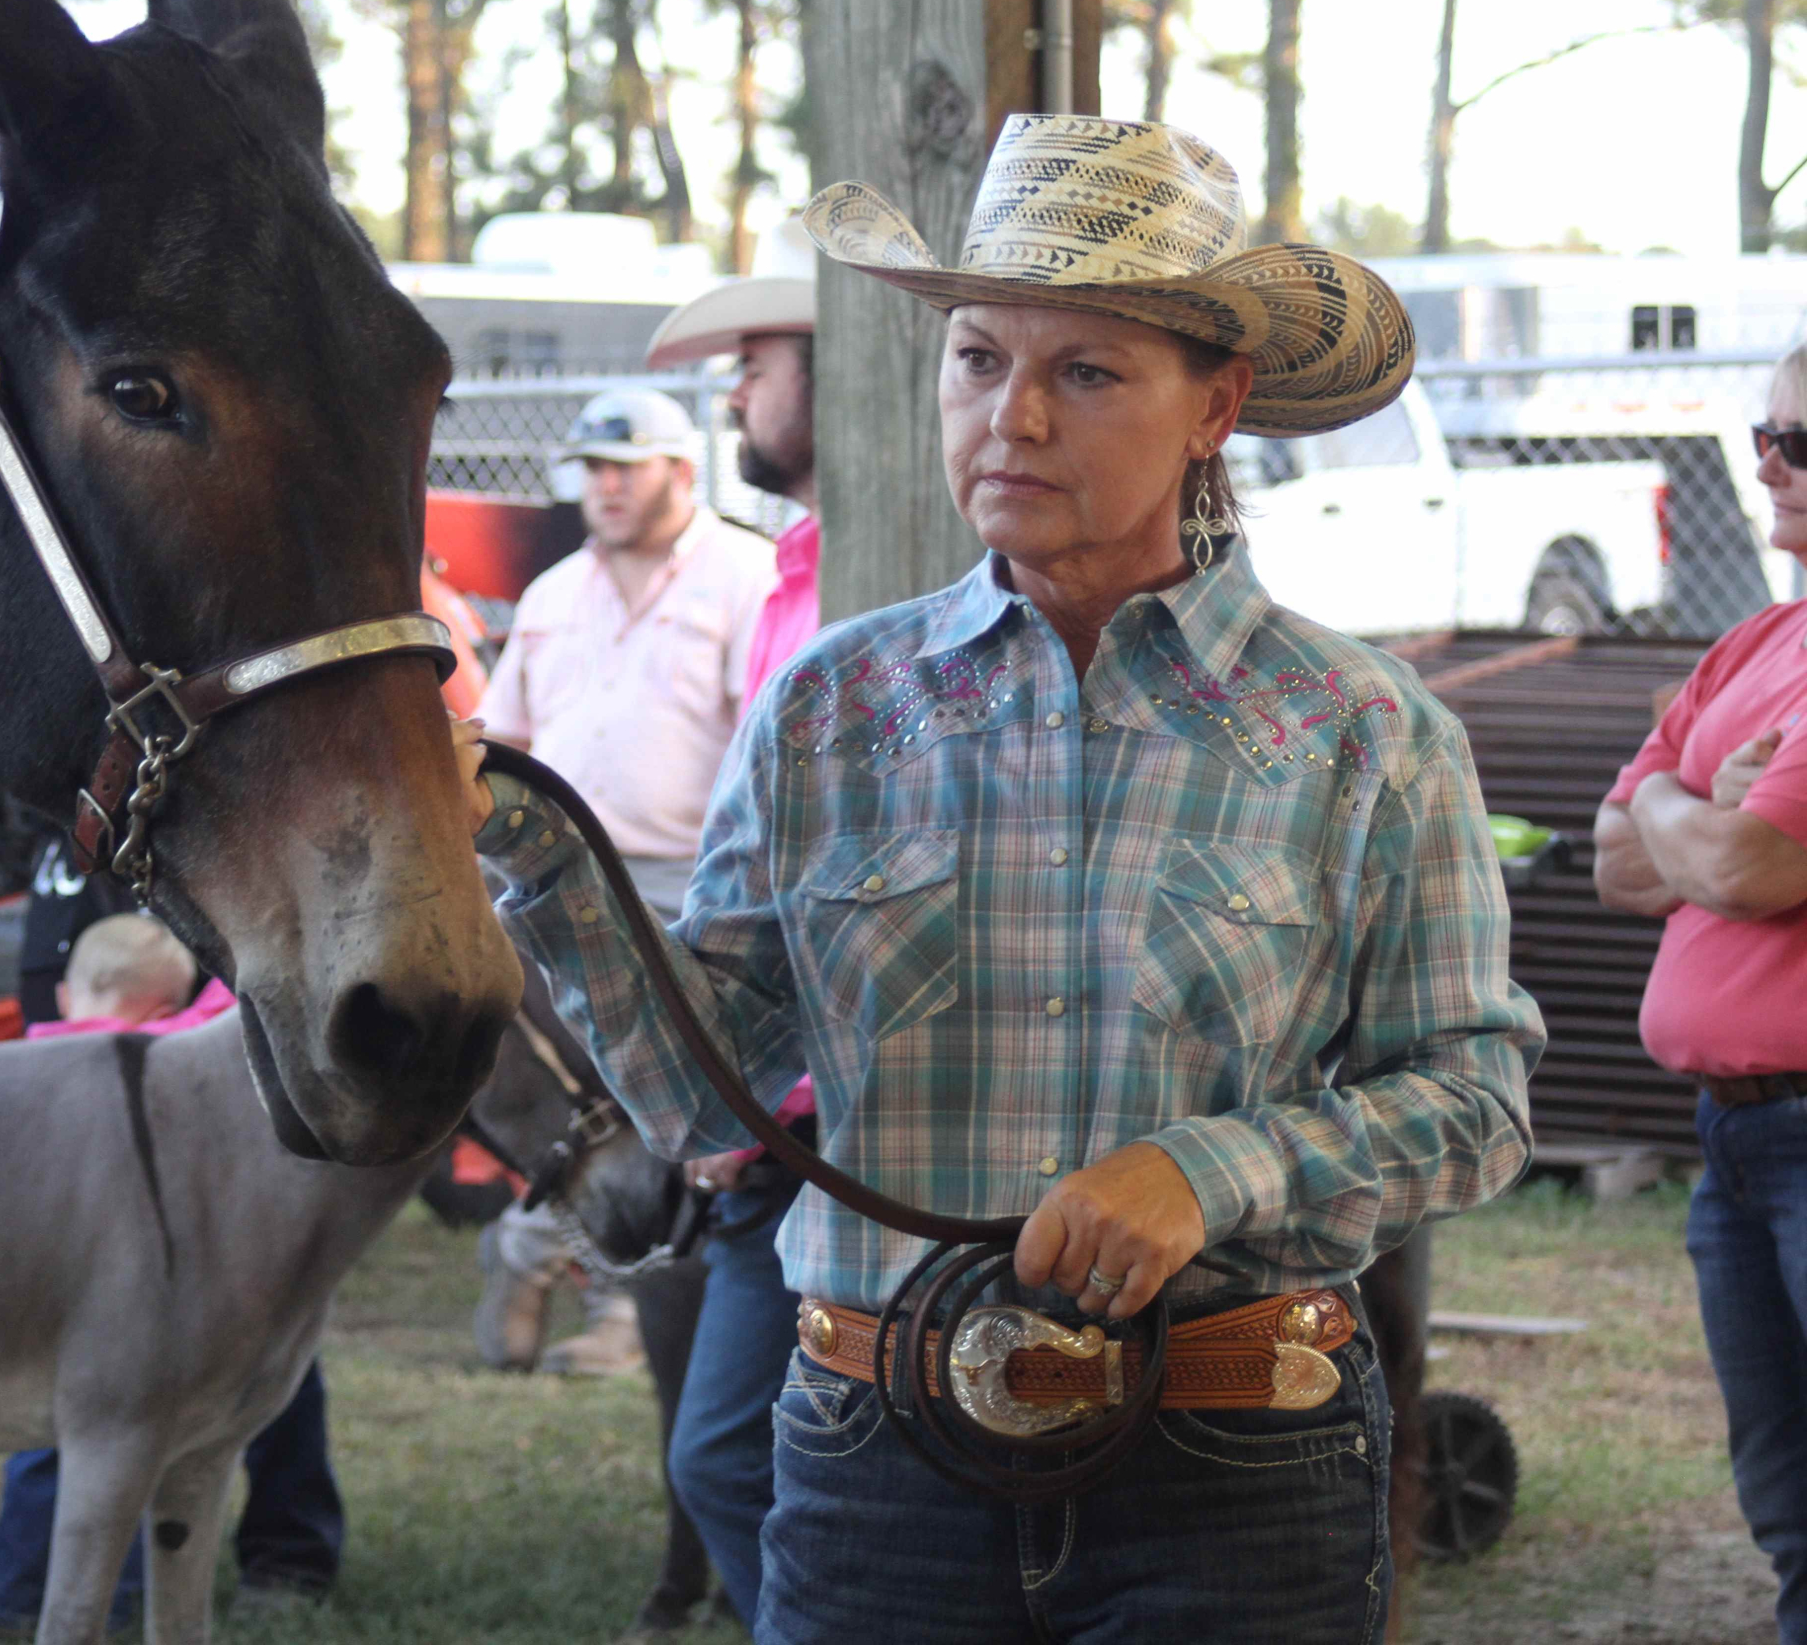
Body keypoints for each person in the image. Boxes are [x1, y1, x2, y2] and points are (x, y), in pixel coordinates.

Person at [459, 114, 1539, 1644]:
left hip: (1239, 1463)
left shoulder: (1361, 734)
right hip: (873, 1455)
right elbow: (716, 1095)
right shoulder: (832, 707)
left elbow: (1478, 1091)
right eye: (977, 360)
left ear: (1216, 404)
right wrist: (533, 847)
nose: (1010, 417)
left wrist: (1205, 1171)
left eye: (1085, 372)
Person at [473, 387, 777, 1378]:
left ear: (682, 472)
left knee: (659, 1105)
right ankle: (540, 1258)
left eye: (624, 466)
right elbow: (508, 737)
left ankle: (615, 1304)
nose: (602, 487)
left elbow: (759, 750)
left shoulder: (746, 577)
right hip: (549, 883)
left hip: (681, 883)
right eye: (592, 469)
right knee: (571, 1106)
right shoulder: (557, 591)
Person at [1595, 343, 1807, 1643]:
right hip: (1735, 1140)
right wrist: (1690, 802)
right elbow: (1621, 856)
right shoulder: (1755, 642)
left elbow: (1750, 860)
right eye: (1770, 431)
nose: (1773, 461)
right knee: (1786, 1501)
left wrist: (1688, 813)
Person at [0, 911, 342, 1637]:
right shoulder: (161, 1047)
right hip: (144, 1282)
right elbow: (233, 1015)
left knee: (43, 1453)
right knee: (134, 1449)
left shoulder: (35, 1050)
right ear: (168, 1009)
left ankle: (17, 1589)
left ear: (66, 998)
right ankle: (122, 1595)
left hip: (45, 1279)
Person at [642, 216, 820, 1629]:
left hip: (821, 1112)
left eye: (753, 359)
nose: (730, 394)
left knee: (738, 1453)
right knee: (743, 1454)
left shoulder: (846, 590)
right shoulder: (797, 580)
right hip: (780, 1096)